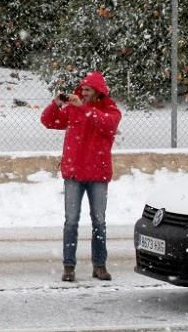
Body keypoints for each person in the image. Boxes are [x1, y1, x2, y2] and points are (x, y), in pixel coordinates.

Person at [41, 70, 122, 283]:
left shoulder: (110, 111)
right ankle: (69, 267)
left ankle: (100, 265)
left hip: (98, 174)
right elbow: (48, 121)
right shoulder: (73, 110)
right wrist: (55, 104)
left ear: (98, 92)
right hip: (74, 173)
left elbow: (107, 125)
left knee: (99, 221)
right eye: (82, 90)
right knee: (71, 221)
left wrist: (83, 107)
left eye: (87, 90)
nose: (83, 93)